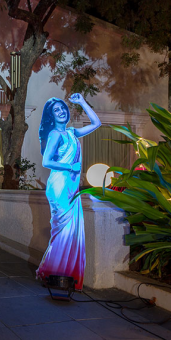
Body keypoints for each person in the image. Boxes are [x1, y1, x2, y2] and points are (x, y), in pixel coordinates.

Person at [36, 93, 101, 291]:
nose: (61, 112)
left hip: (71, 186)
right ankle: (53, 272)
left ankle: (64, 273)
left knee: (70, 231)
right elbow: (46, 161)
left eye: (63, 108)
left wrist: (81, 102)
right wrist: (68, 167)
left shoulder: (72, 132)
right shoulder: (54, 134)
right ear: (52, 116)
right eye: (56, 110)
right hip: (60, 185)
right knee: (62, 231)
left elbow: (96, 123)